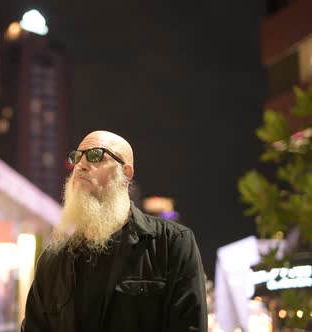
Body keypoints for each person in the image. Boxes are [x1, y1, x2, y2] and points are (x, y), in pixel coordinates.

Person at [22, 130, 207, 332]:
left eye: (95, 156)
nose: (81, 165)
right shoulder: (52, 260)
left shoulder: (171, 243)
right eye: (76, 157)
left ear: (126, 173)